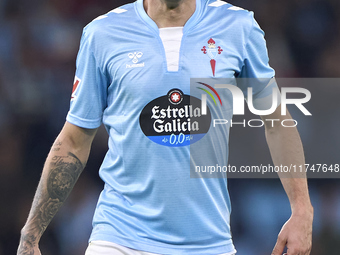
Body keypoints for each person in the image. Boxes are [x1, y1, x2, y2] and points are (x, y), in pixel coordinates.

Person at [17, 0, 313, 254]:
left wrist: (302, 209)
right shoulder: (102, 34)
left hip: (208, 240)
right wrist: (31, 233)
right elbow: (74, 140)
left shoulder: (238, 26)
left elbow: (276, 121)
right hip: (118, 236)